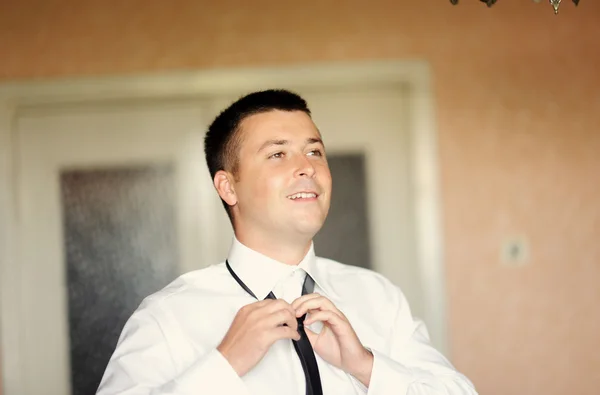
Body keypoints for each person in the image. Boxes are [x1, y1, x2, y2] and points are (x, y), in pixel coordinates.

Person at [96, 89, 478, 395]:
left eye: (314, 151)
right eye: (277, 154)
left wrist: (365, 365)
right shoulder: (167, 318)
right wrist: (223, 365)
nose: (307, 167)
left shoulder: (379, 297)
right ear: (228, 186)